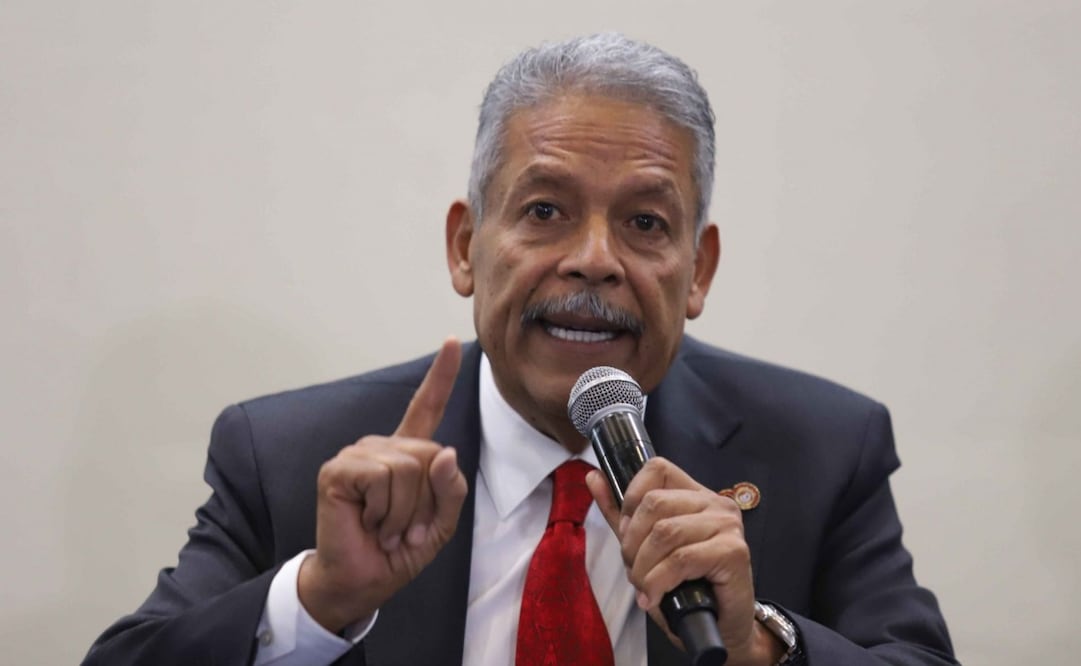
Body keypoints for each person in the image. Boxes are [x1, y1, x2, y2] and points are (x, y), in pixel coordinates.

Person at [83, 33, 956, 665]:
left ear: (698, 269)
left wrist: (759, 649)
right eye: (544, 211)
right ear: (465, 246)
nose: (594, 259)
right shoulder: (289, 460)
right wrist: (320, 601)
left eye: (645, 222)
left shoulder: (821, 448)